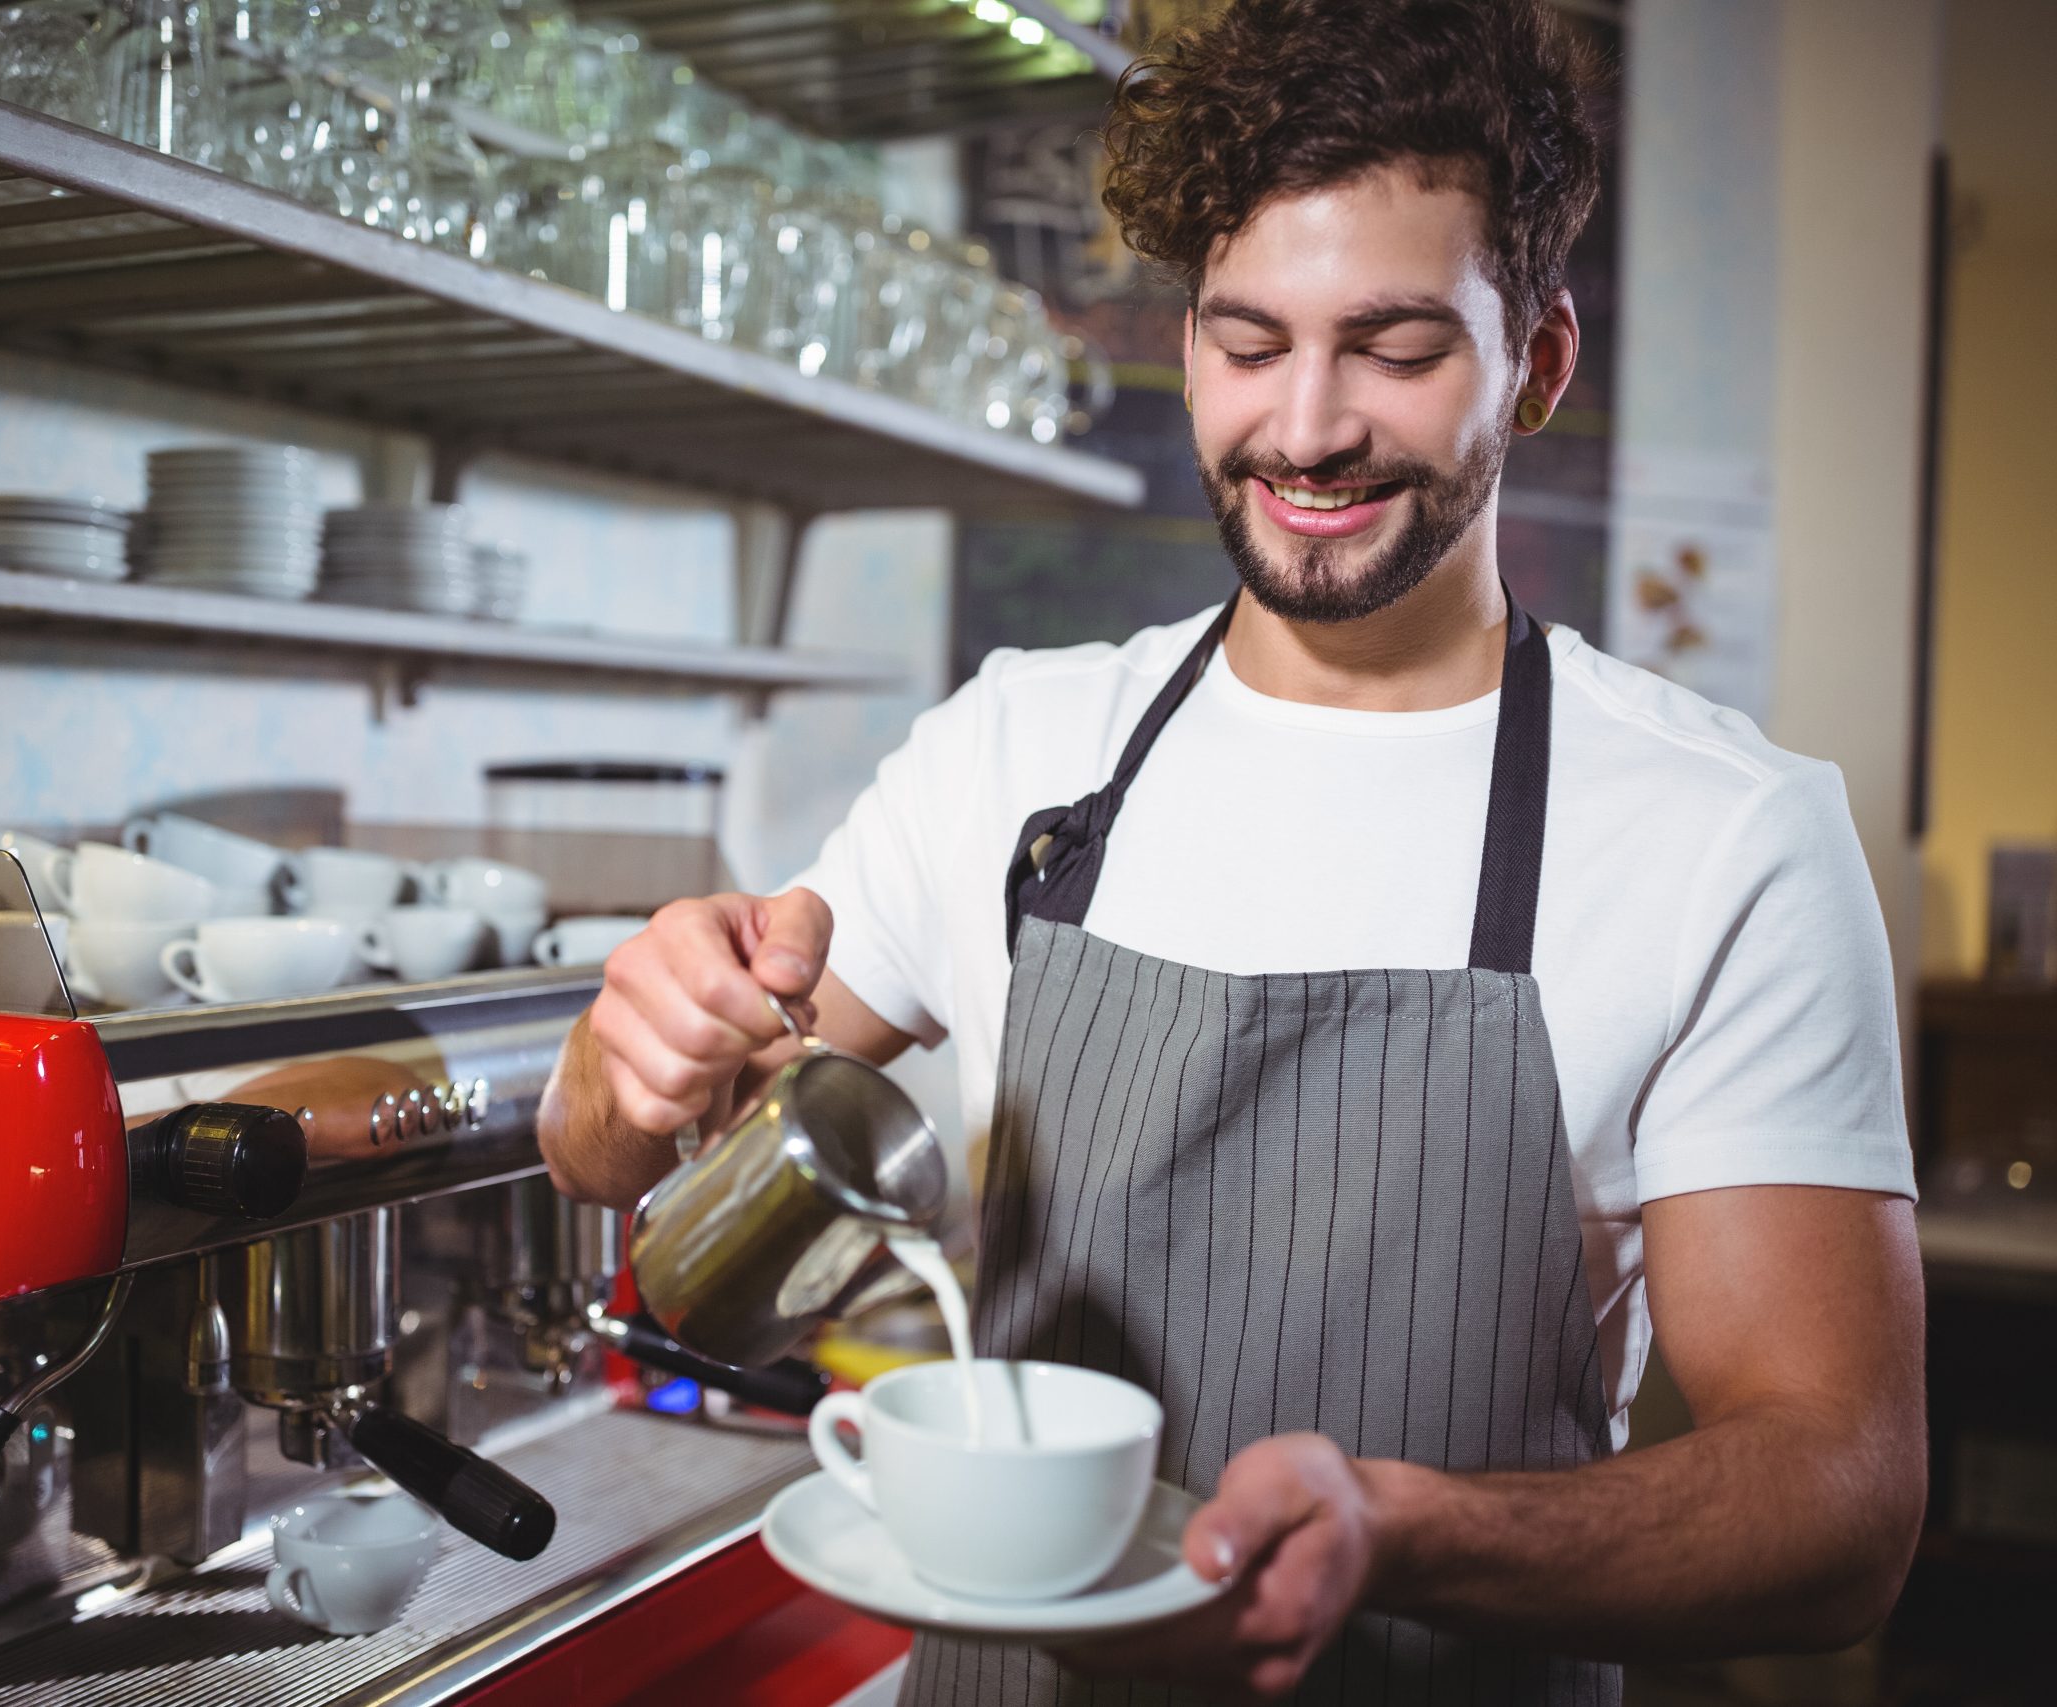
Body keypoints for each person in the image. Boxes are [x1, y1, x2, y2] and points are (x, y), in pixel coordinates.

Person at [538, 0, 1925, 1699]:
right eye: (1248, 343)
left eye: (1398, 350)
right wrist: (626, 1059)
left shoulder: (1728, 838)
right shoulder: (1013, 750)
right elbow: (629, 1180)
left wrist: (1408, 1534)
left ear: (1540, 363)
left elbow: (1840, 1496)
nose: (1308, 429)